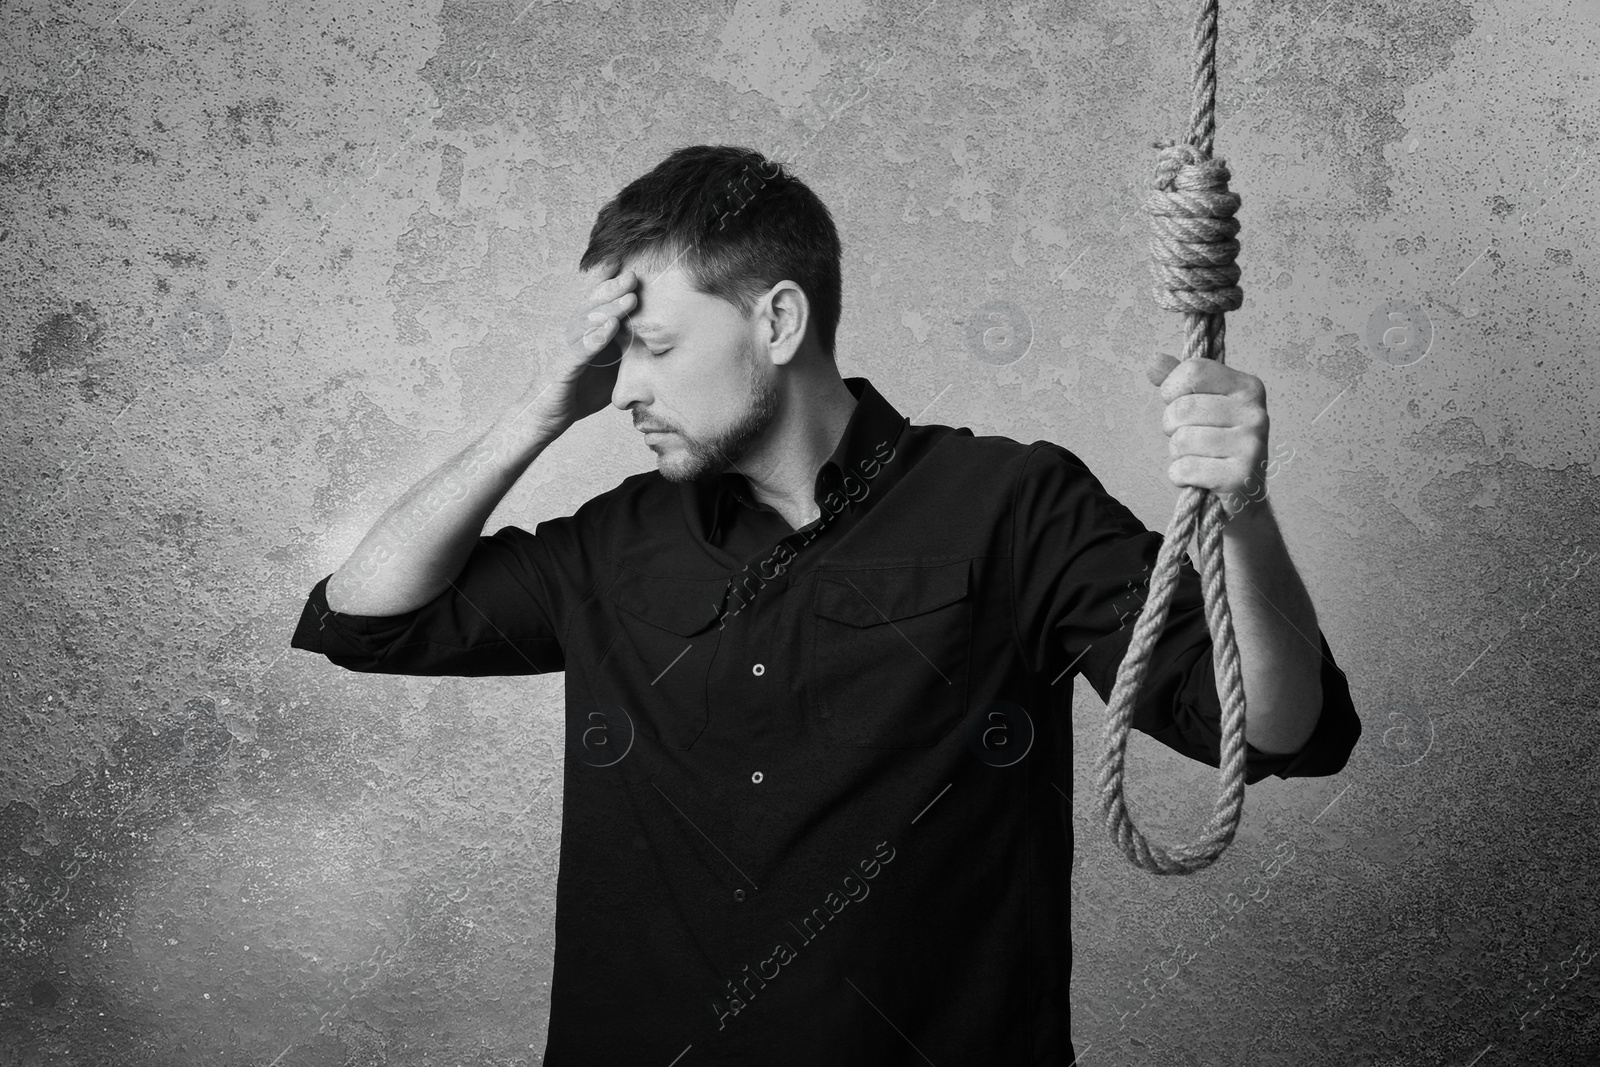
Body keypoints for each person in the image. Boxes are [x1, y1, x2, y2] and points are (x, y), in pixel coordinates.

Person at [289, 144, 1360, 1065]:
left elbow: (1271, 727)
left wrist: (1245, 511)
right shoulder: (614, 542)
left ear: (779, 319)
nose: (624, 390)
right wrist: (535, 412)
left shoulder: (1012, 505)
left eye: (652, 347)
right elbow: (365, 616)